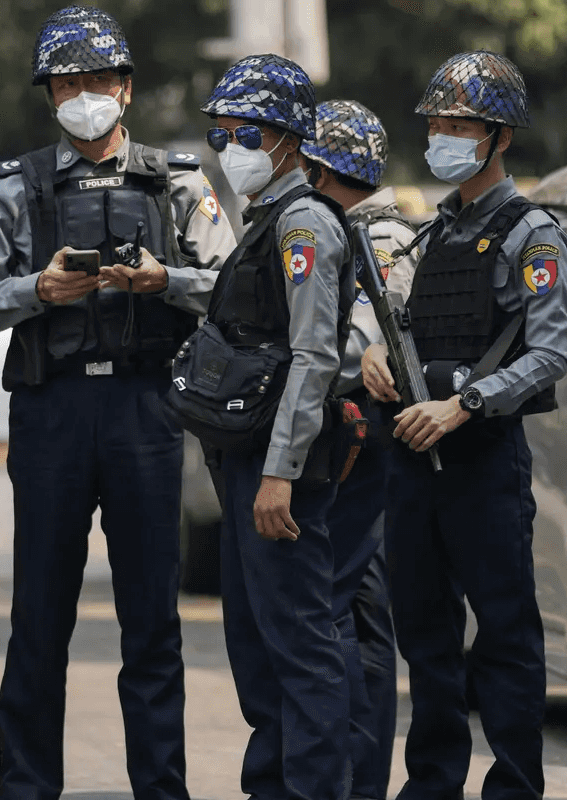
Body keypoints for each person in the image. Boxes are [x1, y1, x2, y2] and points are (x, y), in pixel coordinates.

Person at [0, 6, 236, 799]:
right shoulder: (16, 185)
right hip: (53, 414)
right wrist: (37, 289)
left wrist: (162, 281)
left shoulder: (177, 178)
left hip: (147, 412)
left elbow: (235, 290)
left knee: (152, 625)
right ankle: (28, 787)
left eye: (98, 80)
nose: (86, 94)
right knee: (39, 622)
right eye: (69, 82)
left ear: (127, 88)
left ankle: (161, 787)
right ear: (50, 94)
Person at [361, 50, 567, 800]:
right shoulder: (430, 234)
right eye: (437, 123)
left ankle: (514, 785)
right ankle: (432, 784)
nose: (443, 136)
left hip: (482, 459)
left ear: (500, 137)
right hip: (413, 458)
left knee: (506, 635)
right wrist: (378, 358)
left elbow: (550, 353)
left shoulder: (530, 234)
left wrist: (466, 405)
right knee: (424, 632)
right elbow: (407, 327)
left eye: (460, 125)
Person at [200, 54, 357, 800]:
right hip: (246, 464)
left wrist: (279, 474)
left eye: (247, 133)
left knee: (301, 649)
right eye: (222, 132)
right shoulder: (266, 222)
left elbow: (315, 355)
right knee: (257, 649)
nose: (232, 147)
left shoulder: (304, 226)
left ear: (291, 140)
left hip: (280, 471)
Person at [298, 99, 417, 800]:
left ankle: (347, 779)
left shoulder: (378, 231)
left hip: (352, 446)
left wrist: (370, 346)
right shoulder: (350, 223)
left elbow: (383, 314)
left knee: (342, 615)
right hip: (351, 442)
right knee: (356, 617)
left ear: (316, 164)